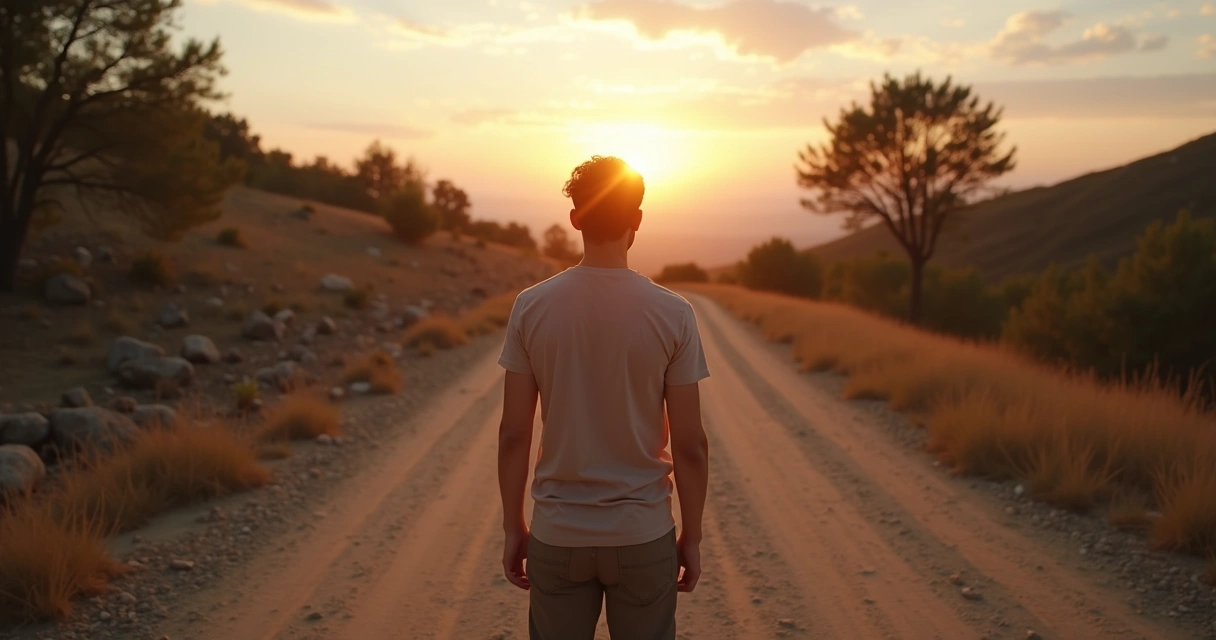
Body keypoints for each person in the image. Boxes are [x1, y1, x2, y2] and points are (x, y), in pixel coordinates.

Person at [496, 155, 712, 640]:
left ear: (575, 218)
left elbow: (514, 434)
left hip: (557, 533)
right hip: (642, 535)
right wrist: (691, 536)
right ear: (636, 219)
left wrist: (515, 526)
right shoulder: (673, 314)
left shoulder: (531, 307)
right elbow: (691, 444)